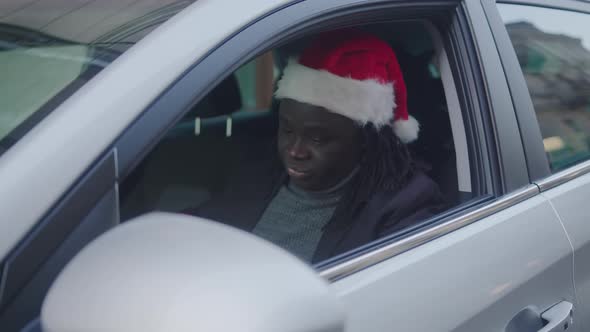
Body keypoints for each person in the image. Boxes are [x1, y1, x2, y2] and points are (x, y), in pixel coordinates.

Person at [192, 30, 444, 263]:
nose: (294, 151)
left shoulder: (405, 205)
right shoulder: (258, 174)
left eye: (317, 139)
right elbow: (199, 229)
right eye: (287, 130)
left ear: (365, 141)